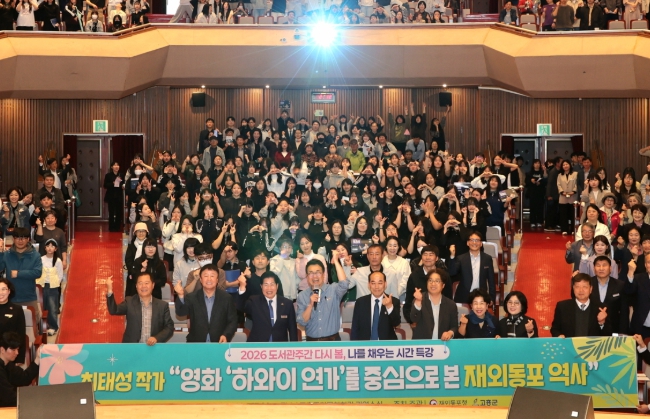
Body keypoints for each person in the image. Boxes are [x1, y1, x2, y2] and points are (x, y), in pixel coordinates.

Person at [173, 264, 238, 342]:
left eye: (212, 276)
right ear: (200, 279)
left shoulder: (226, 298)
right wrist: (180, 295)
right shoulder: (192, 297)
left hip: (219, 343)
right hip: (196, 343)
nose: (209, 279)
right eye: (206, 276)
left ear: (217, 280)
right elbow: (180, 313)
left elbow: (233, 321)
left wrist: (226, 335)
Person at [106, 273, 174, 344]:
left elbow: (169, 327)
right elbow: (113, 310)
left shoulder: (162, 305)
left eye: (146, 283)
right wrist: (109, 290)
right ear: (136, 286)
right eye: (140, 283)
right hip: (132, 347)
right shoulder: (129, 302)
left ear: (153, 285)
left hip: (153, 347)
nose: (143, 286)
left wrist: (157, 338)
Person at [296, 256, 348, 341]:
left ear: (323, 274)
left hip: (333, 341)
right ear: (307, 276)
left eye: (318, 272)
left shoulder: (333, 289)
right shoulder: (302, 295)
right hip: (312, 343)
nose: (315, 276)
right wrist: (310, 305)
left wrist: (336, 260)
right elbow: (302, 321)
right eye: (311, 273)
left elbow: (344, 284)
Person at [237, 271, 297, 342]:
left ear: (277, 286)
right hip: (258, 346)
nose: (269, 288)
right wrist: (242, 286)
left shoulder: (287, 304)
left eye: (272, 284)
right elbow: (241, 306)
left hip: (279, 346)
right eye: (266, 285)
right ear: (261, 286)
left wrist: (294, 346)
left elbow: (293, 330)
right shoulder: (254, 301)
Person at [0, 228, 43, 323]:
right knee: (10, 327)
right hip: (11, 298)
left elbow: (38, 273)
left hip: (29, 297)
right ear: (13, 239)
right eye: (17, 238)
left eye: (23, 238)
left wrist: (18, 274)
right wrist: (0, 253)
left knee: (32, 325)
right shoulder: (7, 254)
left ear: (28, 239)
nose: (20, 241)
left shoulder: (35, 255)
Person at [350, 271, 401, 341]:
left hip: (387, 345)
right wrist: (354, 345)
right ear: (369, 285)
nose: (376, 287)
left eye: (380, 283)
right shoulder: (360, 302)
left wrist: (389, 307)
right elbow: (355, 328)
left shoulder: (393, 301)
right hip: (365, 344)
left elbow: (396, 323)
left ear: (385, 284)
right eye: (373, 283)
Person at [447, 231, 496, 304]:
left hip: (481, 296)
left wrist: (492, 298)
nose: (474, 243)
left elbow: (491, 279)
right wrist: (452, 256)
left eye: (477, 240)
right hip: (463, 295)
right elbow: (452, 272)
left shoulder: (487, 258)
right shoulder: (461, 258)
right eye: (472, 240)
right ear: (467, 243)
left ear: (481, 243)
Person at [410, 269, 458, 340]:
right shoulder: (420, 299)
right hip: (422, 344)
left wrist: (450, 333)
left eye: (437, 281)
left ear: (443, 285)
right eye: (430, 280)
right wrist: (418, 301)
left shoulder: (450, 304)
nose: (433, 284)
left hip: (442, 343)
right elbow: (414, 319)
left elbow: (454, 326)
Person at [588, 255, 628, 334]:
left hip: (614, 328)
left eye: (604, 265)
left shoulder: (620, 285)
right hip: (591, 328)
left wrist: (623, 332)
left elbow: (624, 311)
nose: (601, 268)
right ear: (594, 268)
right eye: (598, 265)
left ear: (610, 268)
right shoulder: (588, 284)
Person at [0, 332, 40, 407]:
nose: (17, 353)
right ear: (2, 349)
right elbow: (9, 397)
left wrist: (37, 359)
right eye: (13, 350)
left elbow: (24, 378)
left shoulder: (8, 364)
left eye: (17, 349)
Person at [36, 238, 63, 336]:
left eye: (52, 246)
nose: (50, 248)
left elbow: (60, 275)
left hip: (53, 287)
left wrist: (55, 283)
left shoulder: (58, 261)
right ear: (45, 248)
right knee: (42, 306)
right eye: (48, 246)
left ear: (56, 249)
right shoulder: (41, 259)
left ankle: (53, 327)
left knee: (52, 307)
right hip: (41, 285)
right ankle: (42, 326)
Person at [0, 279, 26, 365]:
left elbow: (21, 334)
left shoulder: (17, 309)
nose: (0, 293)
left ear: (9, 291)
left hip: (10, 354)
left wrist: (19, 359)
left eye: (3, 289)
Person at [103, 161, 124, 232]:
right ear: (112, 167)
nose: (116, 166)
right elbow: (105, 185)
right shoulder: (108, 175)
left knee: (118, 212)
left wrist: (122, 185)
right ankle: (111, 227)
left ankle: (117, 227)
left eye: (117, 165)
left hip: (119, 196)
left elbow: (123, 184)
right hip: (111, 196)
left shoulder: (121, 175)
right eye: (115, 165)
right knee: (111, 212)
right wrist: (113, 183)